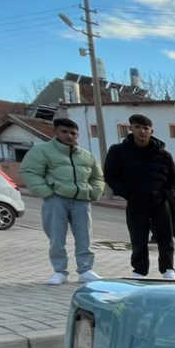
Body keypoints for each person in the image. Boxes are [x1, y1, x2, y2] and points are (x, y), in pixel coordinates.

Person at [20, 117, 105, 284]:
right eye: (64, 132)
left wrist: (94, 192)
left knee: (85, 237)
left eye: (73, 133)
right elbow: (30, 172)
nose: (69, 136)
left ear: (78, 135)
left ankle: (85, 270)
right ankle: (60, 271)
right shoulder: (42, 151)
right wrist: (46, 192)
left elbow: (98, 177)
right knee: (56, 237)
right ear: (56, 132)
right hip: (56, 199)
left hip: (81, 200)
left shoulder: (86, 156)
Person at [103, 114, 175, 279]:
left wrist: (166, 194)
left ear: (151, 131)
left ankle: (168, 269)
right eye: (138, 127)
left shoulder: (163, 154)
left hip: (160, 202)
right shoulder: (118, 151)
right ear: (130, 128)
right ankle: (139, 271)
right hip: (136, 202)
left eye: (146, 128)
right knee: (138, 237)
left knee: (165, 237)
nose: (142, 132)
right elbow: (111, 177)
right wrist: (128, 194)